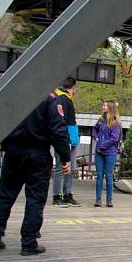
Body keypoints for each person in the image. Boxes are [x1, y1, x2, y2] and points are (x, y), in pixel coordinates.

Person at [0, 91, 71, 256]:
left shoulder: (14, 94)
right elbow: (58, 130)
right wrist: (65, 157)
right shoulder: (50, 99)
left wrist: (7, 145)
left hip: (14, 151)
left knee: (5, 194)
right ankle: (29, 242)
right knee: (35, 198)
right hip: (38, 152)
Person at [51, 77, 81, 207]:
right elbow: (62, 121)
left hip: (70, 138)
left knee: (70, 167)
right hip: (64, 138)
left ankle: (67, 194)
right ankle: (57, 196)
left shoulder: (66, 99)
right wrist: (65, 138)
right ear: (72, 87)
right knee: (60, 167)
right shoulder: (62, 99)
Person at [92, 100, 122, 207]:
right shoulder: (101, 120)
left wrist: (101, 146)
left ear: (109, 107)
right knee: (99, 176)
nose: (102, 107)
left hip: (110, 152)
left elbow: (114, 139)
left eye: (104, 105)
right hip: (99, 152)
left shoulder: (115, 122)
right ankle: (98, 199)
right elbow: (94, 130)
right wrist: (96, 137)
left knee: (109, 176)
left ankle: (109, 200)